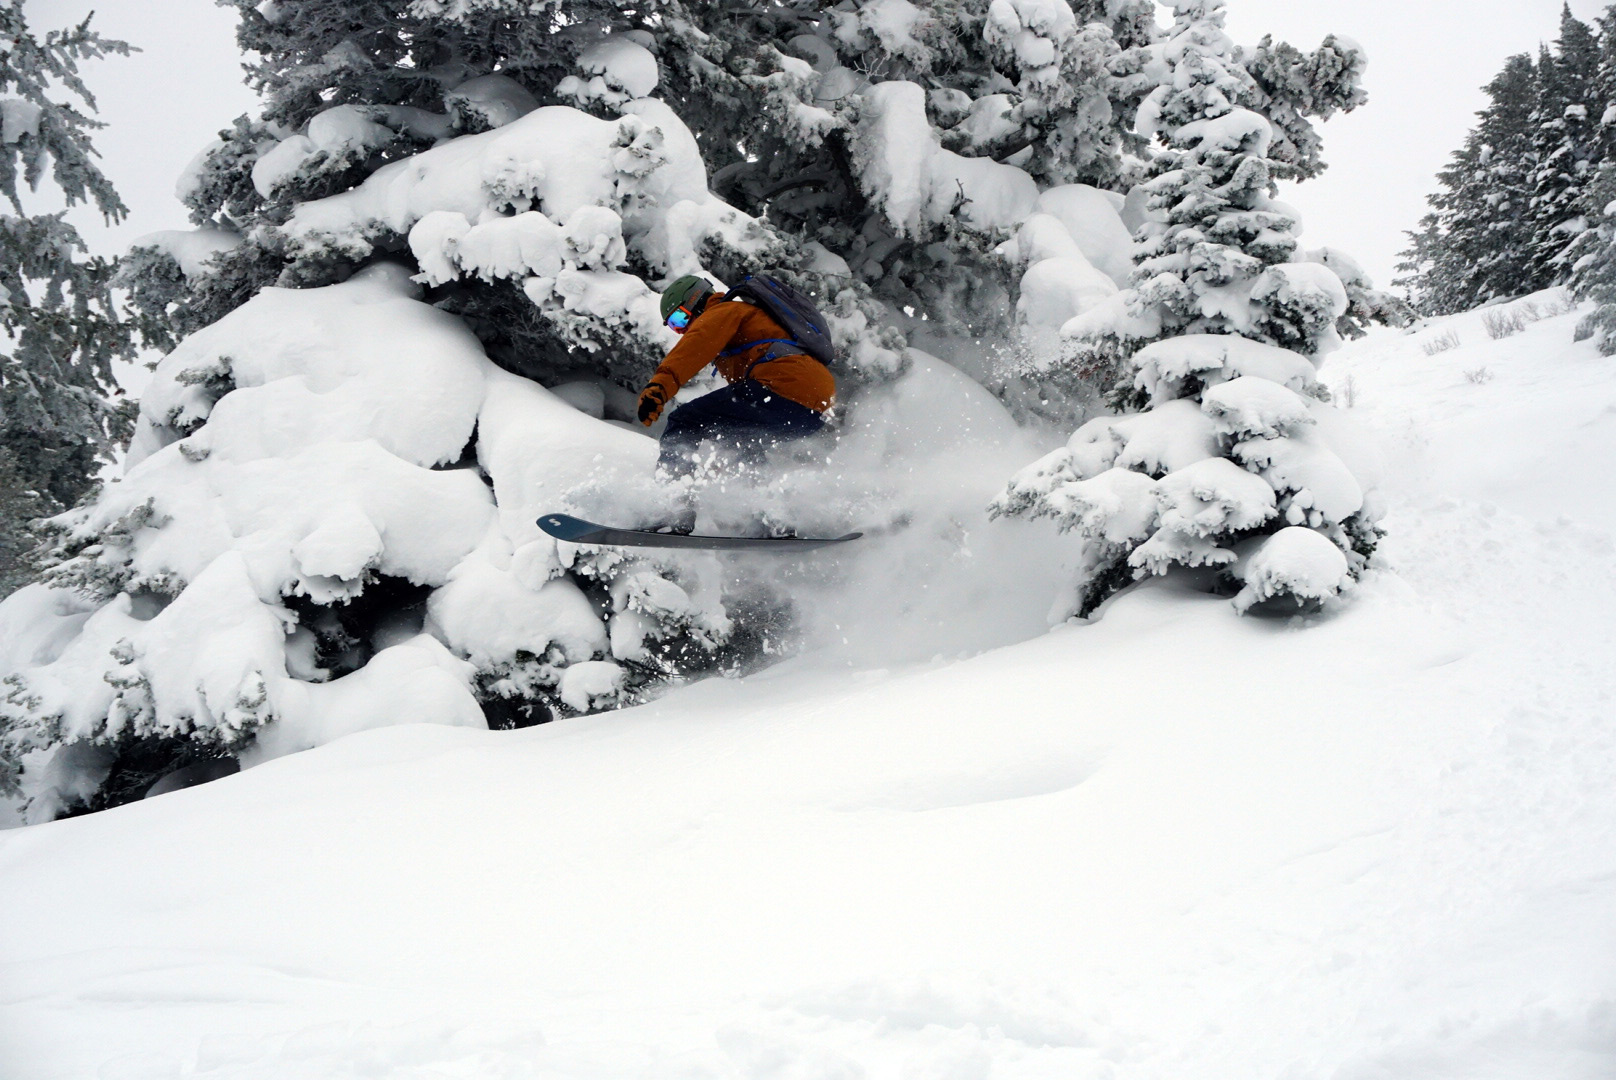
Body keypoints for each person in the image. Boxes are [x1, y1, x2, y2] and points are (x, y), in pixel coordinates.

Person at [637, 276, 835, 511]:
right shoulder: (742, 322)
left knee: (684, 421)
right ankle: (769, 517)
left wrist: (659, 387)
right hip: (813, 408)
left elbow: (694, 346)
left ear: (695, 301)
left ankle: (672, 508)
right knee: (739, 439)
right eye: (673, 326)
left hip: (785, 385)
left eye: (679, 319)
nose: (681, 330)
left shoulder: (725, 311)